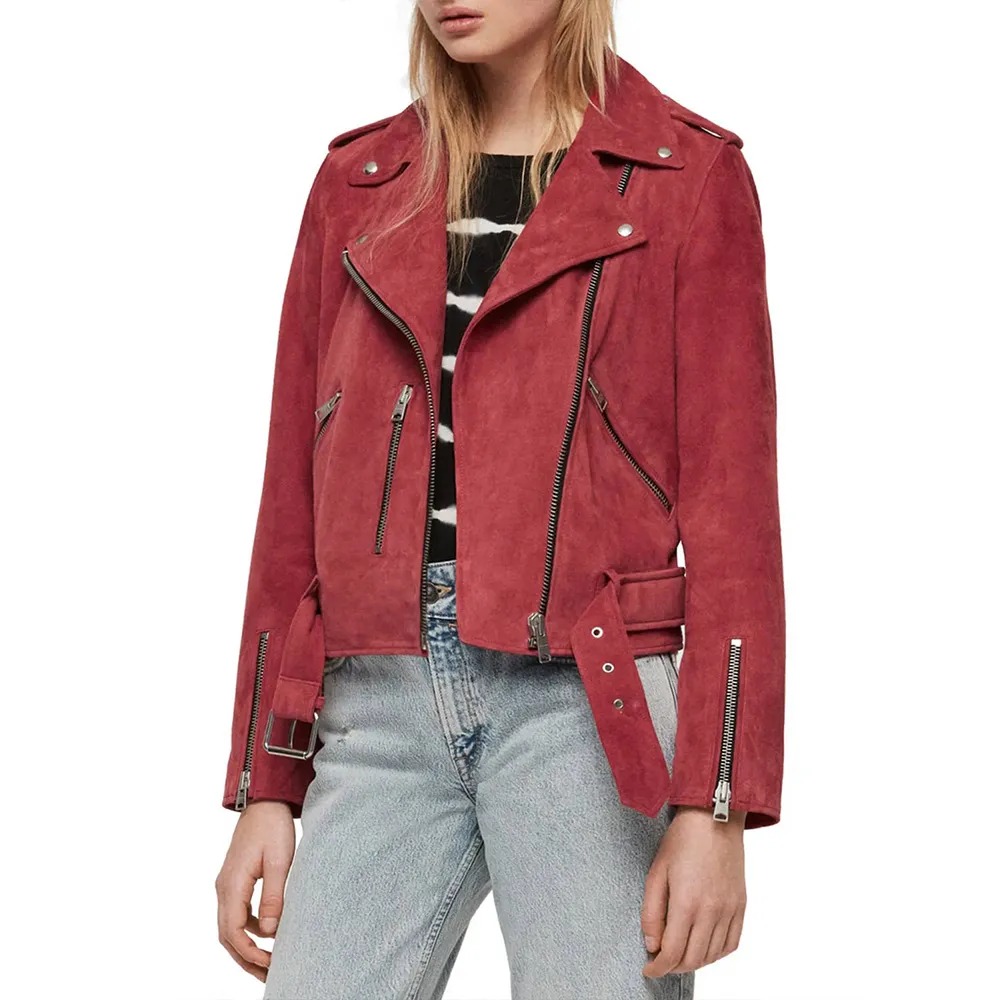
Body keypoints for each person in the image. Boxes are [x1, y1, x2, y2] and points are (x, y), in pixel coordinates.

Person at [214, 2, 785, 997]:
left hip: (587, 701)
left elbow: (736, 518)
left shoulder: (685, 177)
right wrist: (267, 782)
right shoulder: (358, 183)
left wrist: (717, 801)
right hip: (376, 699)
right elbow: (290, 504)